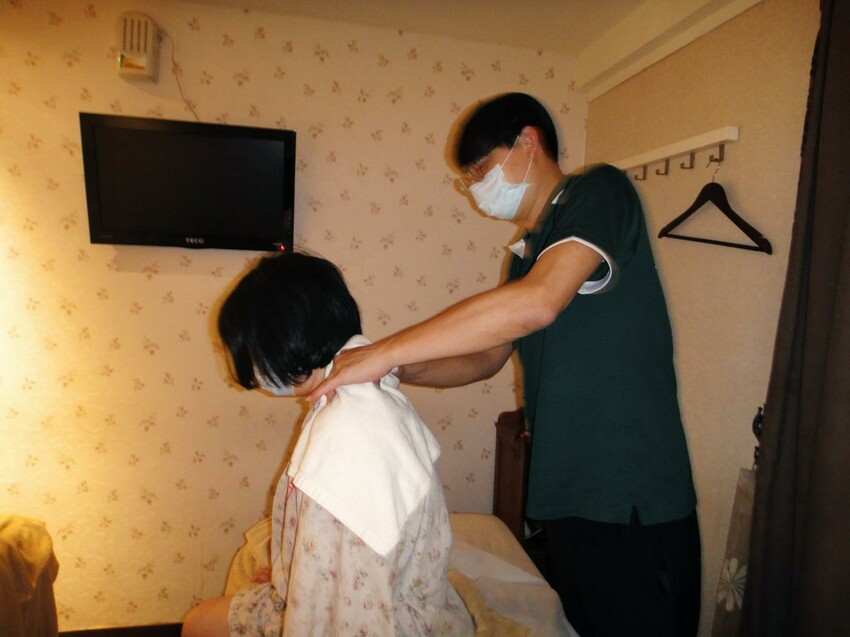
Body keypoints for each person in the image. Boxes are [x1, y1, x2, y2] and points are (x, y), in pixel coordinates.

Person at [310, 92, 701, 637]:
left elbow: (539, 304)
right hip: (566, 490)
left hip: (625, 491)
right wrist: (396, 371)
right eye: (468, 178)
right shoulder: (527, 256)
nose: (476, 187)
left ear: (528, 142)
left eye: (481, 170)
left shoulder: (599, 190)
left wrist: (384, 351)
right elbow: (485, 358)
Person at [182, 252, 473, 637]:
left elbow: (345, 616)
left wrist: (293, 591)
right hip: (416, 595)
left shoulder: (345, 436)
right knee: (201, 620)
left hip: (393, 620)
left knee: (197, 625)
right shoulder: (365, 393)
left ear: (281, 340)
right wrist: (289, 573)